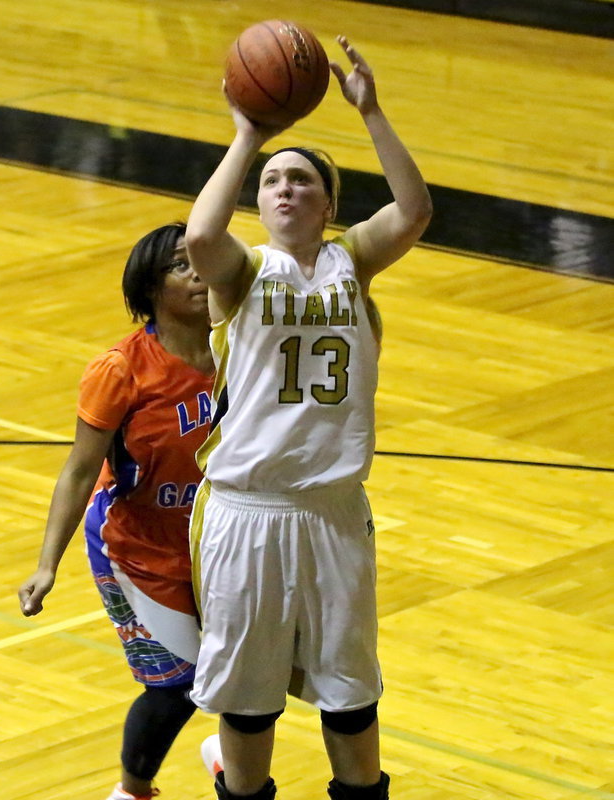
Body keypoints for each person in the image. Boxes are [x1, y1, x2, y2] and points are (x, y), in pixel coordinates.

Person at [185, 35, 432, 800]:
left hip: (331, 512)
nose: (285, 189)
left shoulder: (351, 264)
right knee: (250, 706)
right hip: (247, 512)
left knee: (351, 698)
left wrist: (373, 114)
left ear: (328, 205)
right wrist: (248, 137)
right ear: (258, 204)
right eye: (272, 183)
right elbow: (198, 235)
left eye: (302, 181)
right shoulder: (243, 272)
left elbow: (416, 210)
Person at [18, 223, 215, 800]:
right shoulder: (121, 369)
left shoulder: (240, 343)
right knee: (177, 685)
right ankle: (131, 791)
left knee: (257, 665)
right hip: (138, 546)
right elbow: (80, 471)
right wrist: (46, 564)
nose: (200, 272)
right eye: (183, 265)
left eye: (202, 258)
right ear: (152, 289)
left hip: (220, 534)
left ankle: (228, 754)